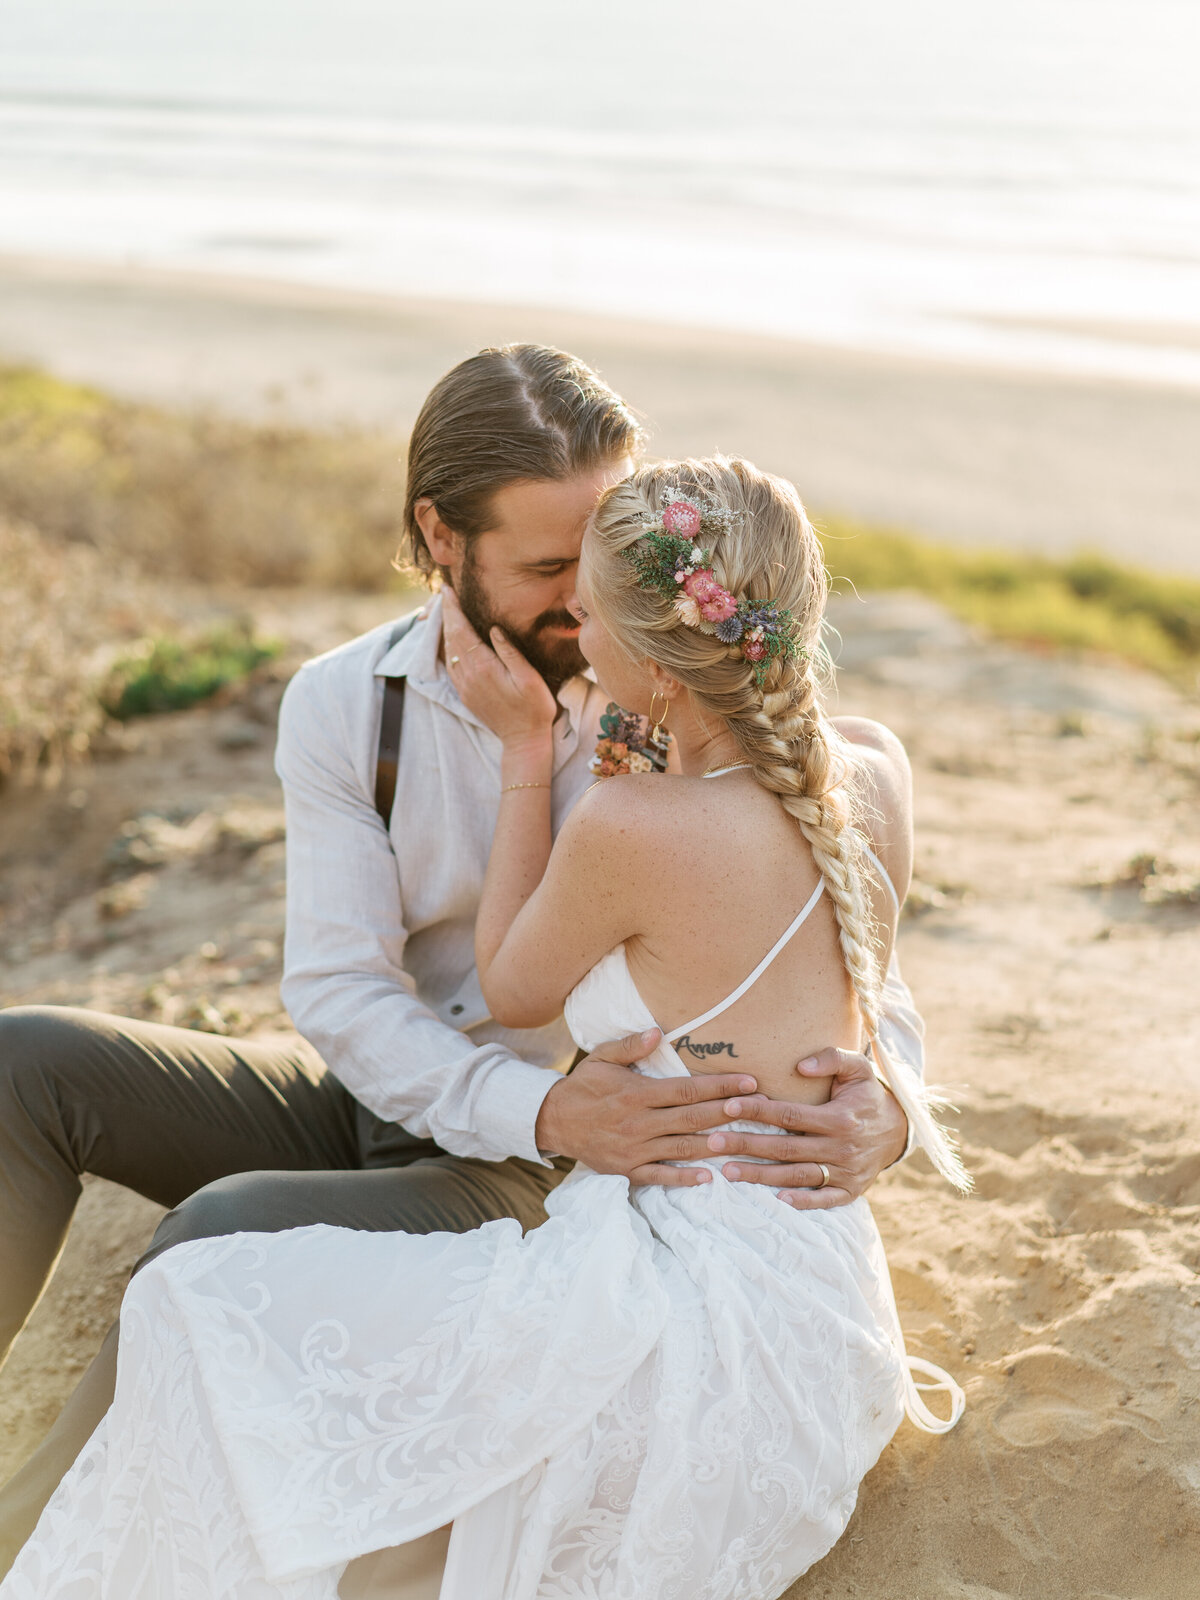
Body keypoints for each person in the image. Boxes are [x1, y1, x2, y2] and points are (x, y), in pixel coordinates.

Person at [0, 348, 922, 1576]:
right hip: (415, 1095)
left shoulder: (668, 693)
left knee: (219, 1238)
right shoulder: (344, 705)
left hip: (566, 1158)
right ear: (442, 536)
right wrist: (513, 1090)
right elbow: (337, 987)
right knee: (26, 1066)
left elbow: (843, 941)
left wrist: (892, 1104)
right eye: (550, 568)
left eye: (601, 554)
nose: (581, 600)